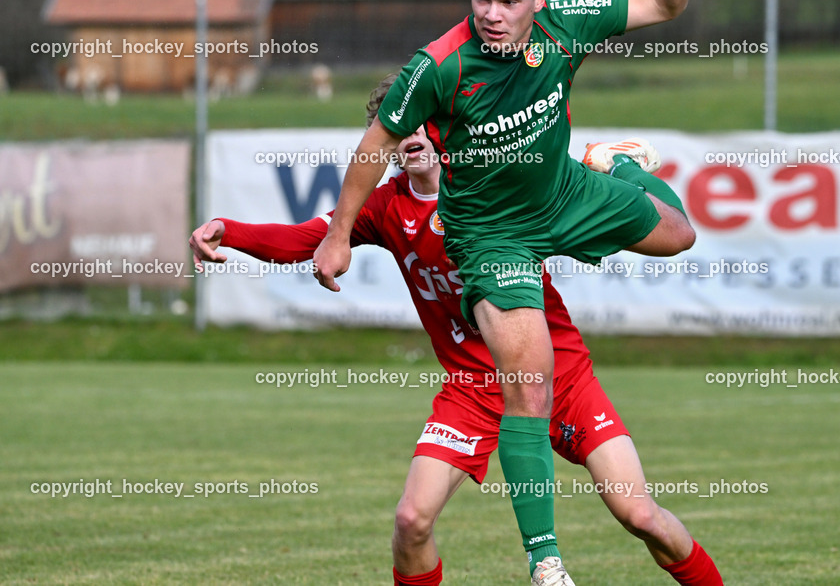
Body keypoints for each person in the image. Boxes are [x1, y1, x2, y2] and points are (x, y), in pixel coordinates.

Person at [190, 78, 721, 586]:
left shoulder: (499, 187)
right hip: (473, 387)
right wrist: (229, 231)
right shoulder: (385, 208)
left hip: (557, 372)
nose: (414, 136)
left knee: (640, 514)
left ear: (444, 127)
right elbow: (310, 237)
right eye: (399, 130)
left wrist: (613, 185)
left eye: (424, 122)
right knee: (410, 521)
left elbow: (631, 225)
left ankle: (617, 164)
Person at [312, 0, 705, 582]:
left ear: (539, 1)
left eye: (508, 0)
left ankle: (619, 162)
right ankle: (546, 560)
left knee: (680, 235)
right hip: (493, 234)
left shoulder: (567, 24)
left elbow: (664, 0)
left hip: (565, 193)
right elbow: (374, 144)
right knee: (530, 376)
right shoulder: (438, 66)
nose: (492, 13)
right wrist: (340, 233)